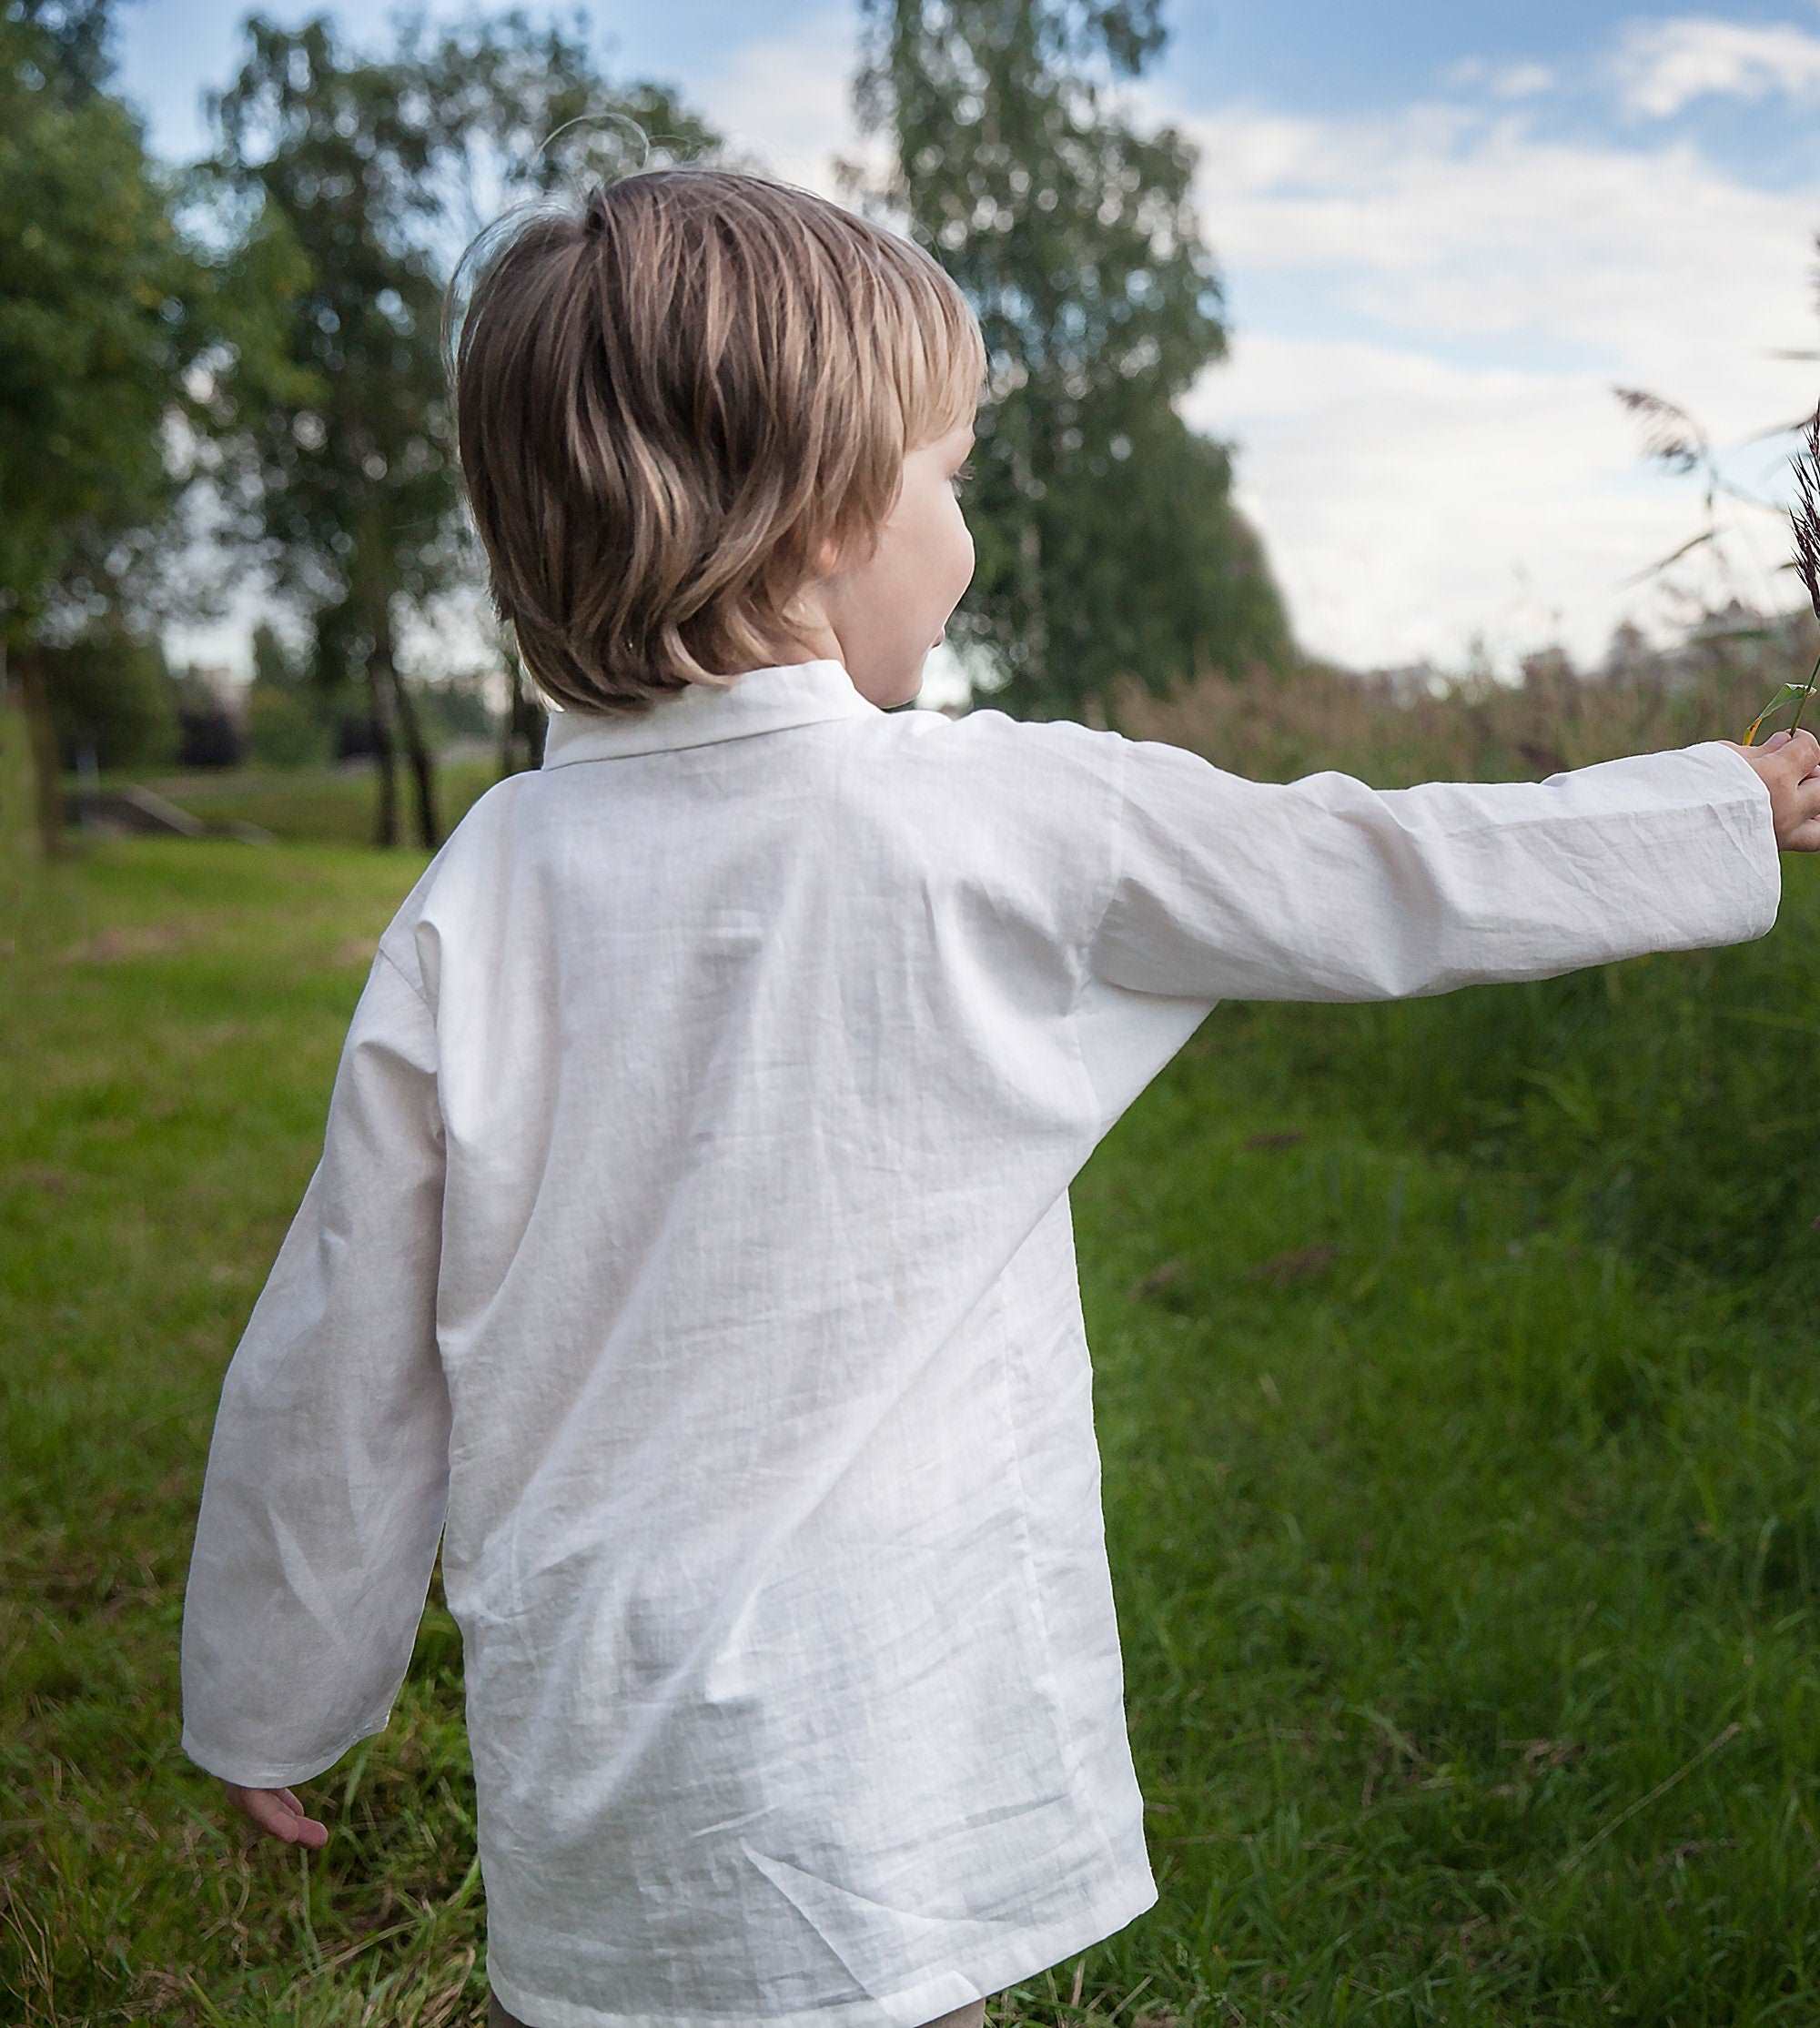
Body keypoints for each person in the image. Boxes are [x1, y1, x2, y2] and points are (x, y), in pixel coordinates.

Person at [177, 163, 1820, 2028]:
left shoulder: (480, 889)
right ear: (818, 520)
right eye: (949, 476)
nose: (961, 532)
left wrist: (270, 1684)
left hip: (602, 1749)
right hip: (885, 1726)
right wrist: (1710, 806)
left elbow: (342, 1347)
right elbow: (1376, 873)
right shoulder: (986, 808)